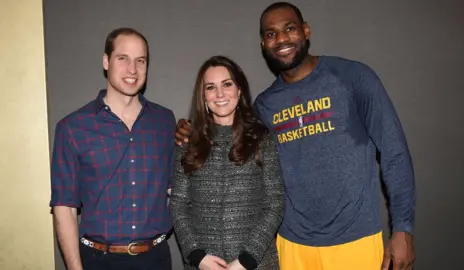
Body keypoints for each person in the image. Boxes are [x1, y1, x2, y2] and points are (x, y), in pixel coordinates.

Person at [175, 2, 416, 270]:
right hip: (292, 246)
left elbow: (394, 153)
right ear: (263, 44)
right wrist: (190, 131)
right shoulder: (265, 106)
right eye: (270, 34)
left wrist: (402, 228)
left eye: (289, 28)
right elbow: (229, 135)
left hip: (355, 239)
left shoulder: (353, 78)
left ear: (306, 30)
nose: (281, 39)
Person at [50, 27, 175, 270]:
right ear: (106, 61)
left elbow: (176, 190)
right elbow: (64, 207)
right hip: (98, 260)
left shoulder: (164, 121)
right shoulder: (73, 127)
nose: (132, 69)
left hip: (156, 258)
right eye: (123, 58)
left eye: (140, 60)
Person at [170, 55, 284, 270]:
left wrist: (247, 259)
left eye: (227, 84)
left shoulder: (262, 139)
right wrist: (197, 256)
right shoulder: (188, 143)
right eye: (211, 87)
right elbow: (178, 205)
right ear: (203, 96)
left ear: (239, 90)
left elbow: (275, 203)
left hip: (256, 264)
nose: (219, 94)